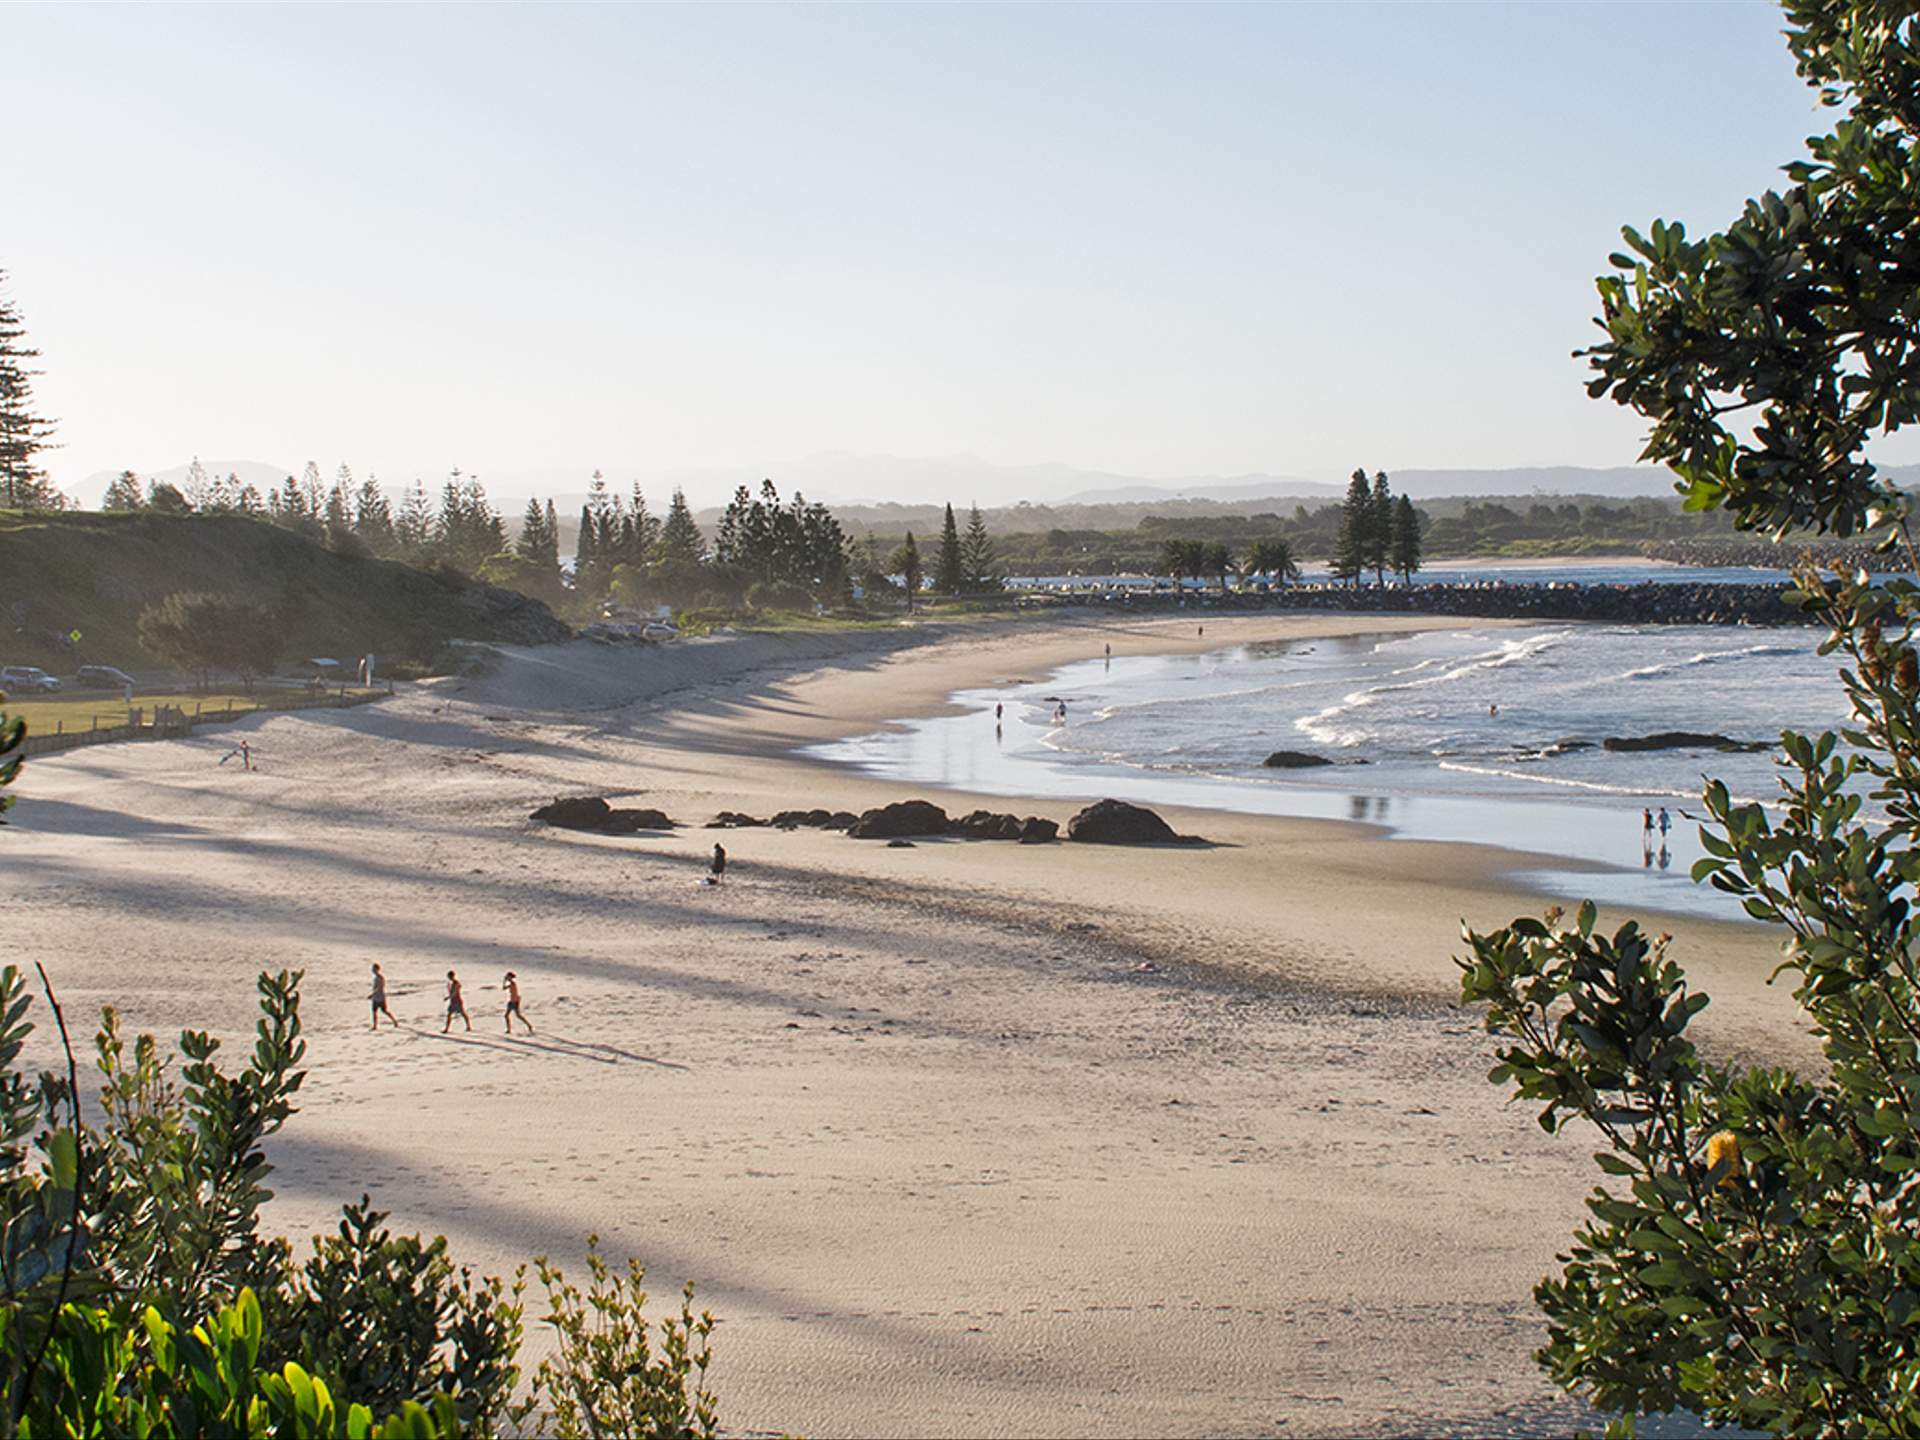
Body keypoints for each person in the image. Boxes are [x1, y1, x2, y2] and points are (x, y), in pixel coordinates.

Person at [369, 963, 396, 1030]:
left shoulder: (380, 978)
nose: (373, 970)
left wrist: (372, 994)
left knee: (384, 1011)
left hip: (380, 997)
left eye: (374, 969)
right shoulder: (375, 978)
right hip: (375, 997)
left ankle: (394, 1021)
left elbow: (380, 987)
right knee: (374, 1011)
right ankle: (375, 1026)